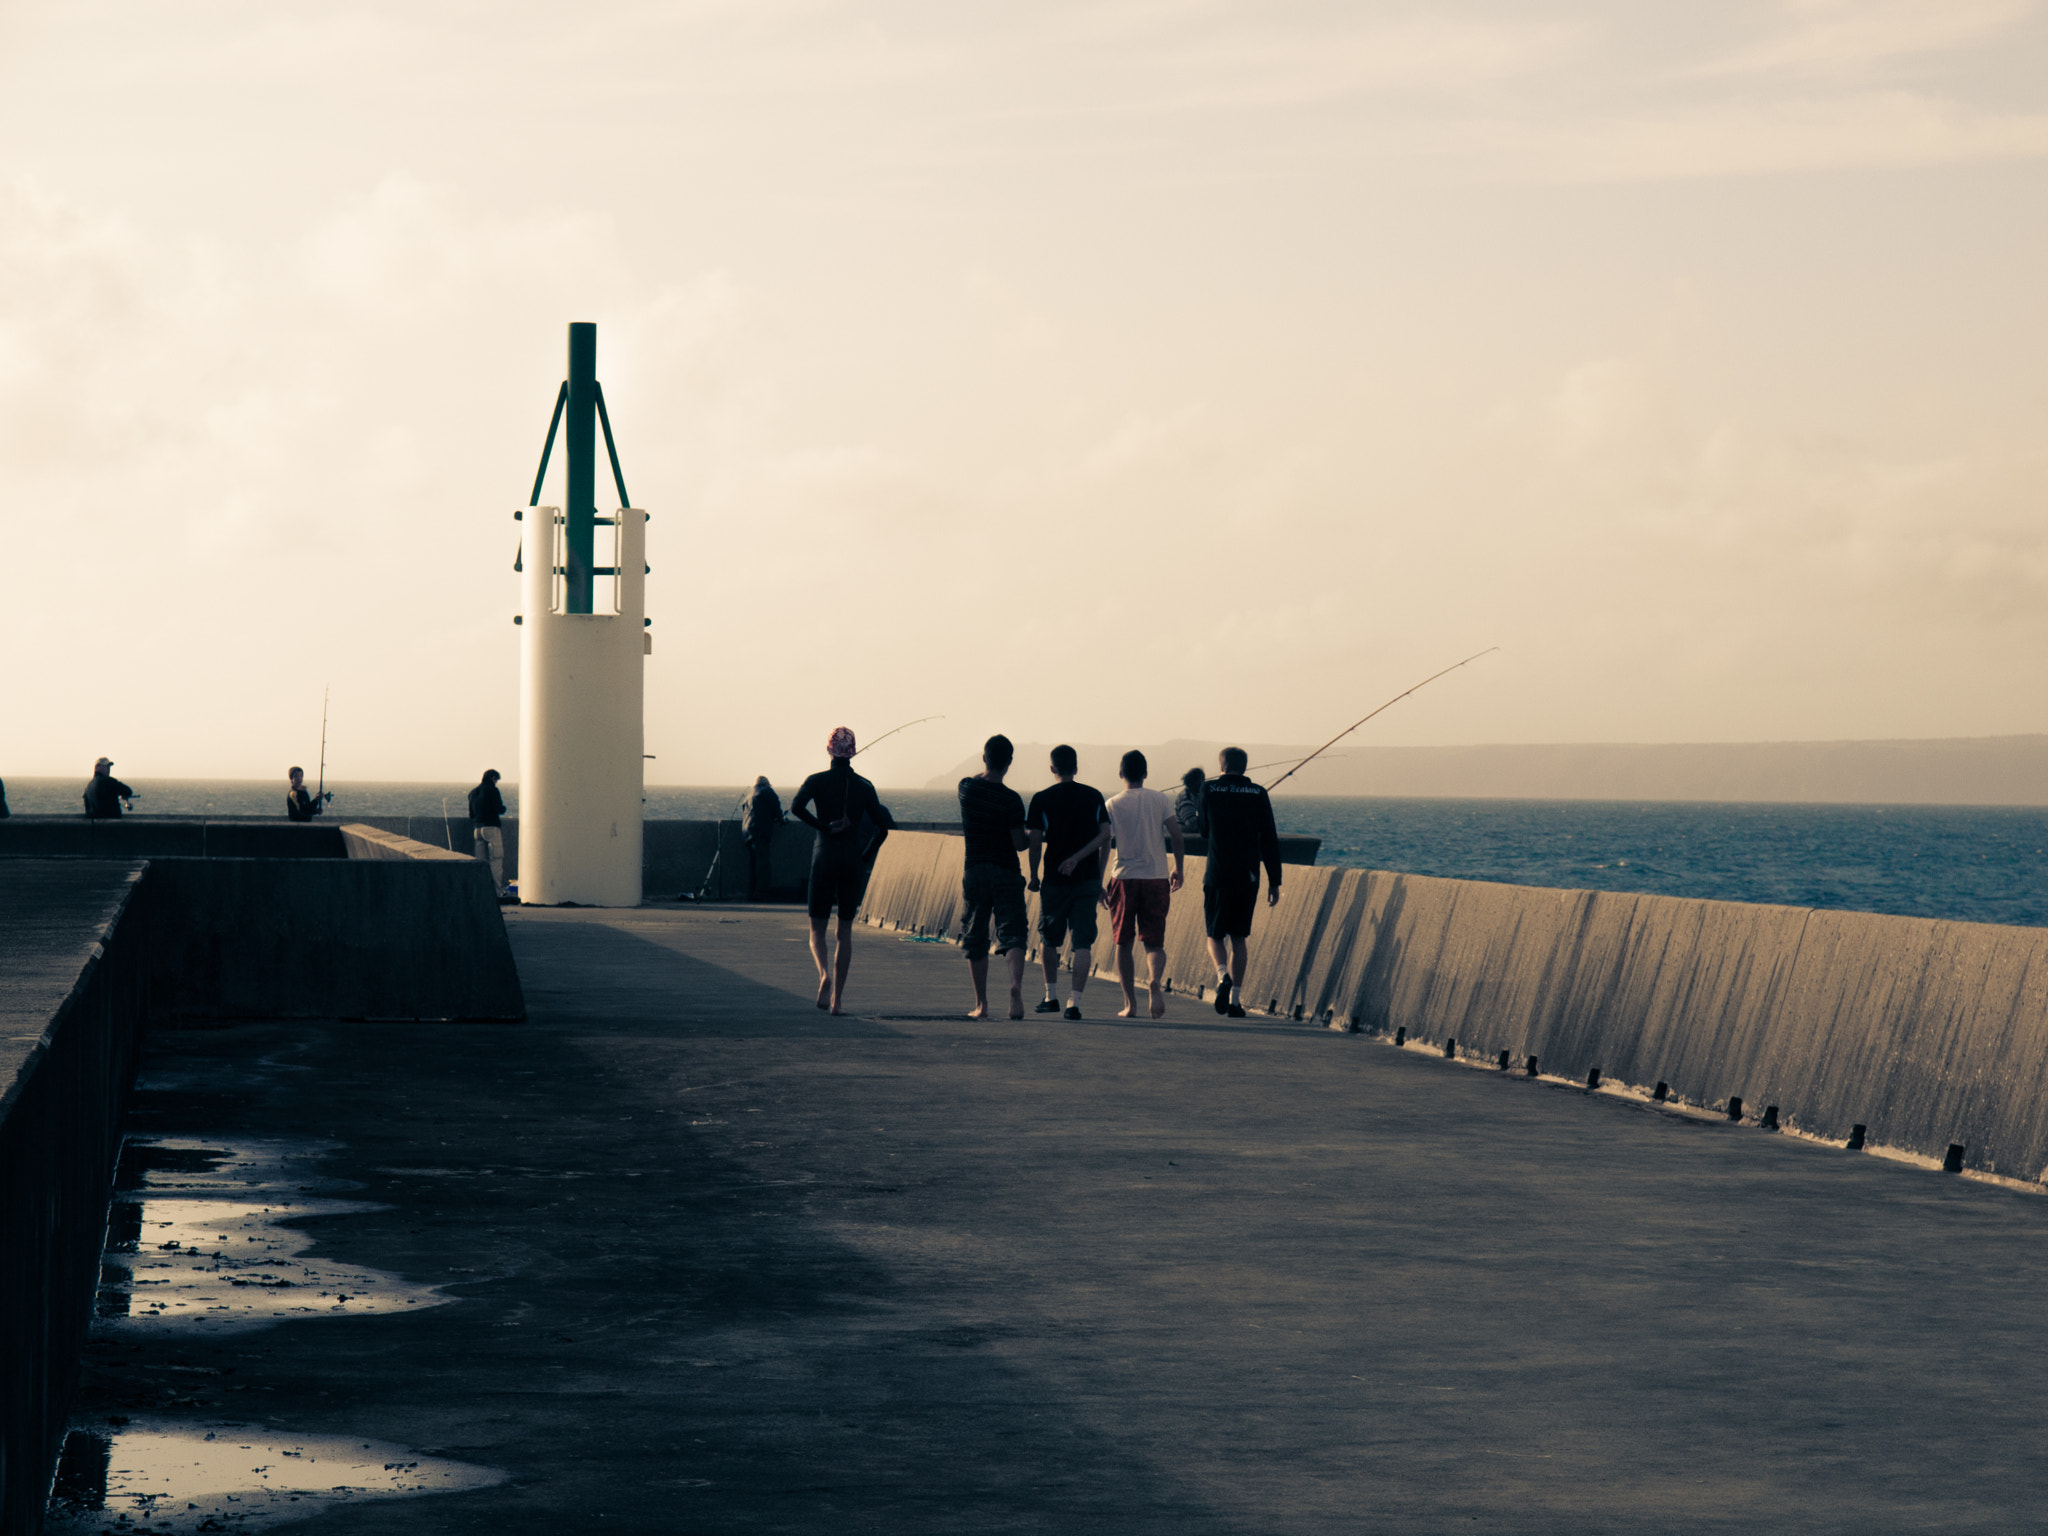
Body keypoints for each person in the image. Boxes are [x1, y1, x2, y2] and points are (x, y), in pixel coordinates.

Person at [1072, 750, 1184, 1020]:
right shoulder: (1160, 800)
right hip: (1156, 877)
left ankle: (1130, 1004)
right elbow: (1177, 835)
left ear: (1121, 774)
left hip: (1123, 877)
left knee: (1123, 943)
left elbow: (1104, 843)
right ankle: (1154, 980)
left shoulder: (1111, 804)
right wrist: (1179, 868)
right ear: (1145, 773)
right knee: (1154, 943)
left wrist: (1100, 881)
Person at [792, 727, 896, 1014]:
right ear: (853, 753)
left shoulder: (816, 780)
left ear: (829, 750)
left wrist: (822, 827)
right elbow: (882, 828)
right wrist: (864, 857)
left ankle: (823, 974)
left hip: (823, 855)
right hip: (852, 859)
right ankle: (838, 1001)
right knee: (845, 931)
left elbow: (796, 807)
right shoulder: (864, 786)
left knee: (817, 929)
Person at [1198, 746, 1282, 1018]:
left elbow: (1203, 831)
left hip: (1218, 873)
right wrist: (1274, 881)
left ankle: (1222, 975)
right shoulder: (1259, 793)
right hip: (1248, 876)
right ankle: (1235, 1002)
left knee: (1214, 935)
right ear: (1244, 767)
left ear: (1221, 765)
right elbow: (1269, 839)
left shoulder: (1208, 790)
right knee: (1239, 938)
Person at [1025, 744, 1107, 1020]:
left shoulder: (1041, 799)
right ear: (1076, 767)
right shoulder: (1094, 796)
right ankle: (1075, 1003)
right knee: (1082, 942)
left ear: (1052, 769)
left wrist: (1034, 875)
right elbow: (1105, 835)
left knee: (1049, 938)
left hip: (1054, 879)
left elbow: (1035, 843)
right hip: (1088, 879)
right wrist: (1081, 857)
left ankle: (1051, 997)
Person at [958, 733, 1030, 1021]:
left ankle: (982, 1004)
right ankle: (1015, 987)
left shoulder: (967, 788)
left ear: (985, 757)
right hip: (1006, 869)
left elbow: (977, 778)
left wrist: (986, 769)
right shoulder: (1012, 800)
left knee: (976, 935)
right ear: (1010, 763)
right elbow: (1019, 844)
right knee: (1013, 931)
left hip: (975, 869)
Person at [740, 776, 784, 900]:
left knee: (752, 864)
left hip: (747, 832)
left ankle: (750, 892)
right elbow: (776, 808)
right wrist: (781, 819)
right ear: (767, 783)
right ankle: (762, 892)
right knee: (762, 863)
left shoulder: (748, 795)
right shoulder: (767, 791)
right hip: (760, 832)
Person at [468, 770, 509, 895]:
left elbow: (471, 815)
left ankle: (480, 891)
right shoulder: (492, 790)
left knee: (480, 863)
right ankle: (497, 891)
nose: (496, 782)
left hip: (477, 830)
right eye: (496, 780)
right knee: (496, 859)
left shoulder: (472, 793)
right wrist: (504, 808)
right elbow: (499, 809)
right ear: (493, 778)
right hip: (491, 828)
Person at [1174, 766, 1206, 834]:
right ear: (1196, 782)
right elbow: (1191, 823)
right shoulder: (1186, 797)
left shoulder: (1194, 795)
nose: (1204, 783)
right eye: (1203, 780)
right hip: (1186, 837)